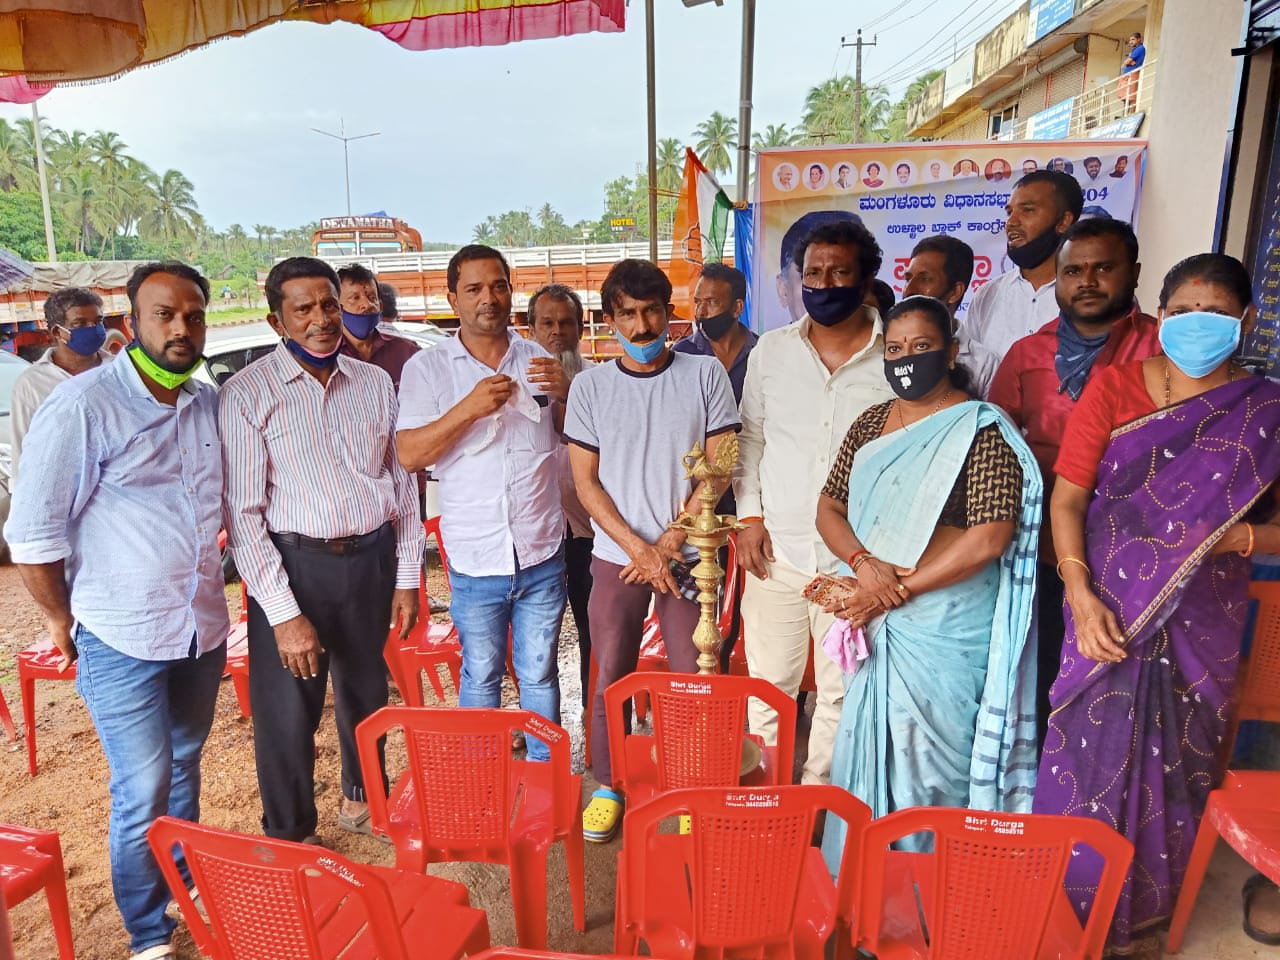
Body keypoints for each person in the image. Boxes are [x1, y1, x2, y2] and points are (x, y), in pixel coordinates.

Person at [1034, 253, 1280, 958]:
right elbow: (1068, 500)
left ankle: (1144, 917)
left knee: (1178, 757)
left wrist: (1238, 536)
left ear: (1246, 321)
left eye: (1215, 312)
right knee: (1086, 754)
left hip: (1205, 617)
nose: (1197, 323)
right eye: (1183, 311)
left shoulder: (1266, 410)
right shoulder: (1114, 387)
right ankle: (1066, 915)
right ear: (1160, 315)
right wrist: (1079, 595)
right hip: (1106, 608)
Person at [5, 261, 228, 960]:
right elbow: (32, 534)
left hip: (198, 627)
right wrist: (58, 619)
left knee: (185, 762)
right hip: (120, 634)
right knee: (143, 785)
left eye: (194, 316)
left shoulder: (203, 402)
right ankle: (148, 932)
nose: (181, 328)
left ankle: (182, 885)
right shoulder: (84, 405)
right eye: (165, 315)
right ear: (133, 322)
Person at [813, 295, 1040, 870]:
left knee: (935, 763)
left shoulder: (981, 430)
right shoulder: (871, 423)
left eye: (921, 347)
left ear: (952, 352)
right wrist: (864, 563)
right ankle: (864, 886)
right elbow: (829, 506)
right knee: (868, 747)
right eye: (895, 349)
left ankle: (929, 893)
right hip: (877, 613)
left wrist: (897, 592)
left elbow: (989, 537)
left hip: (945, 629)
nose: (906, 359)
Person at [221, 257, 423, 845]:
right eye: (303, 308)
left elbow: (400, 483)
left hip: (370, 561)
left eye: (329, 304)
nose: (321, 319)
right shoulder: (247, 393)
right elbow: (243, 515)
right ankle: (291, 833)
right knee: (288, 710)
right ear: (276, 320)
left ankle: (365, 798)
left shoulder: (374, 383)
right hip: (295, 568)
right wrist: (284, 615)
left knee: (366, 691)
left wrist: (407, 574)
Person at [565, 259, 739, 842]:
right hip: (619, 559)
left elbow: (720, 465)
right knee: (610, 672)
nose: (641, 327)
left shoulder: (704, 373)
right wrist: (638, 548)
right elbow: (586, 482)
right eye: (627, 315)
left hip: (689, 558)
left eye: (652, 312)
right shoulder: (591, 387)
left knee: (693, 676)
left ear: (670, 313)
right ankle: (609, 785)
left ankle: (690, 787)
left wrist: (671, 538)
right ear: (609, 319)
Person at [988, 217, 1160, 750]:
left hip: (1139, 549)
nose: (1087, 281)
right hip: (1040, 548)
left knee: (1121, 685)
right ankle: (1043, 782)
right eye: (1073, 271)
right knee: (1041, 679)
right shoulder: (1027, 353)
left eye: (1103, 268)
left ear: (1134, 272)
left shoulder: (1162, 348)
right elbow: (996, 444)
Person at [736, 219, 896, 786]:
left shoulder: (894, 354)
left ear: (866, 277)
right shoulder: (773, 351)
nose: (824, 284)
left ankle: (816, 804)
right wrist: (749, 517)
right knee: (768, 690)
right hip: (775, 555)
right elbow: (751, 439)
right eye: (813, 273)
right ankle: (769, 802)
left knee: (841, 692)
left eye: (839, 272)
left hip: (855, 562)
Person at [396, 245, 567, 760]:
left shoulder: (539, 360)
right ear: (452, 298)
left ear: (510, 292)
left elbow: (574, 438)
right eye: (473, 289)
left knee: (539, 672)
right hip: (475, 558)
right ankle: (481, 778)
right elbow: (410, 453)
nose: (487, 298)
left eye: (497, 286)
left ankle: (546, 776)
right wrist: (468, 408)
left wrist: (569, 393)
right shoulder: (427, 369)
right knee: (481, 672)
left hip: (540, 549)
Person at [527, 283, 596, 696]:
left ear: (581, 329)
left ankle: (594, 713)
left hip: (589, 529)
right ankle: (534, 717)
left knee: (591, 625)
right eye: (547, 323)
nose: (557, 332)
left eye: (567, 323)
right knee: (537, 633)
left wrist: (570, 392)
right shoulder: (516, 383)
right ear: (531, 329)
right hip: (537, 531)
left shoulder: (601, 381)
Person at [964, 170, 1083, 359]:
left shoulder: (1090, 295)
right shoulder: (987, 296)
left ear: (1063, 221)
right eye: (1009, 212)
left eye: (1027, 210)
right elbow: (971, 369)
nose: (1011, 222)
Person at [9, 286, 113, 486]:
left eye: (98, 321)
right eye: (80, 324)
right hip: (61, 487)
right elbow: (23, 447)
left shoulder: (119, 371)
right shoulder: (32, 383)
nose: (93, 329)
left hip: (114, 489)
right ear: (58, 332)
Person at [903, 235, 1000, 397]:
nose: (909, 290)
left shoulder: (984, 364)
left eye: (925, 279)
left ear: (955, 292)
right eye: (907, 279)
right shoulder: (884, 350)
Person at [674, 262, 757, 404]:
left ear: (737, 308)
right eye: (697, 302)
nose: (701, 312)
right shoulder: (681, 355)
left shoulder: (762, 352)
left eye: (711, 302)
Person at [335, 263, 419, 391]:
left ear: (381, 305)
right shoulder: (328, 357)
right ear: (336, 307)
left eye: (372, 298)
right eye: (355, 298)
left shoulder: (407, 352)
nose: (367, 304)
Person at [774, 210, 862, 324]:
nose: (824, 287)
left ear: (865, 285)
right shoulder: (770, 339)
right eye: (812, 274)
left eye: (840, 273)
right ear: (782, 290)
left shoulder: (884, 335)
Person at [1119, 32, 1146, 108]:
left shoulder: (1140, 48)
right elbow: (1129, 61)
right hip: (1128, 75)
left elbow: (1127, 62)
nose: (1131, 42)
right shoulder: (1135, 49)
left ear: (1139, 39)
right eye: (1130, 40)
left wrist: (1127, 62)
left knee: (1131, 97)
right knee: (1124, 96)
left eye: (1133, 39)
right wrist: (1129, 62)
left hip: (1132, 74)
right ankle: (1127, 113)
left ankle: (1131, 113)